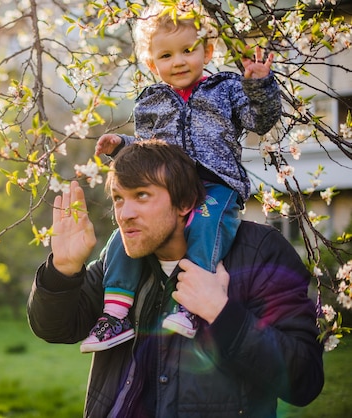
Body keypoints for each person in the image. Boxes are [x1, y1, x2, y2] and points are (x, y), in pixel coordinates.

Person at [27, 140, 324, 417]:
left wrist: (221, 312)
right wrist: (63, 270)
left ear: (185, 203)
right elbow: (55, 329)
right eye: (118, 198)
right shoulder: (119, 260)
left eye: (141, 195)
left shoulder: (259, 251)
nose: (125, 214)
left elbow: (304, 380)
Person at [83, 4, 281, 351]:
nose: (178, 61)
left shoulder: (226, 88)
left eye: (188, 51)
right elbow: (148, 148)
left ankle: (190, 306)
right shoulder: (151, 101)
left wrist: (259, 86)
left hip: (215, 184)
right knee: (126, 234)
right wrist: (122, 146)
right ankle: (115, 315)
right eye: (166, 55)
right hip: (170, 187)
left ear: (207, 51)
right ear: (152, 64)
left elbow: (259, 121)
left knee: (205, 226)